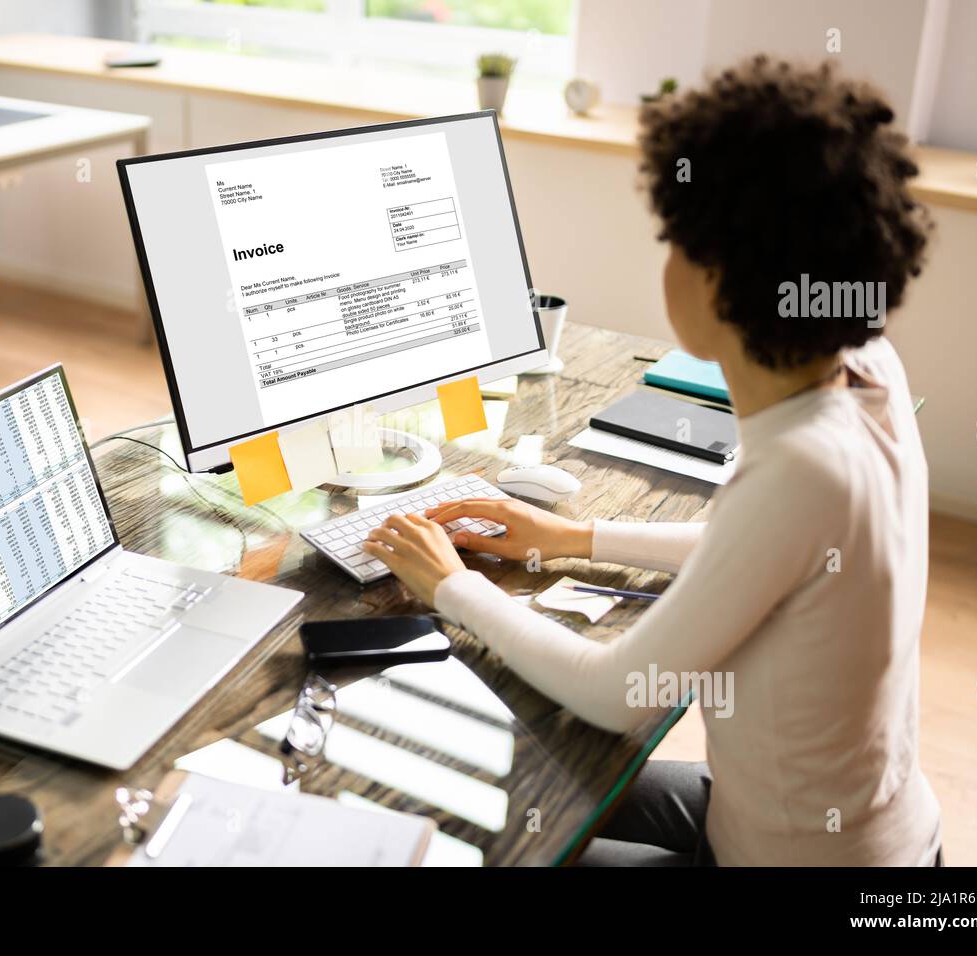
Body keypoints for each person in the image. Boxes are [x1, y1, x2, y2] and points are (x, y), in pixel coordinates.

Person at [361, 56, 941, 866]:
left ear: (718, 279)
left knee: (480, 835)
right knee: (499, 771)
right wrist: (575, 537)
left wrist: (450, 587)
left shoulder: (805, 468)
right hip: (852, 829)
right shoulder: (867, 364)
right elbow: (771, 557)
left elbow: (615, 694)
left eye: (674, 242)